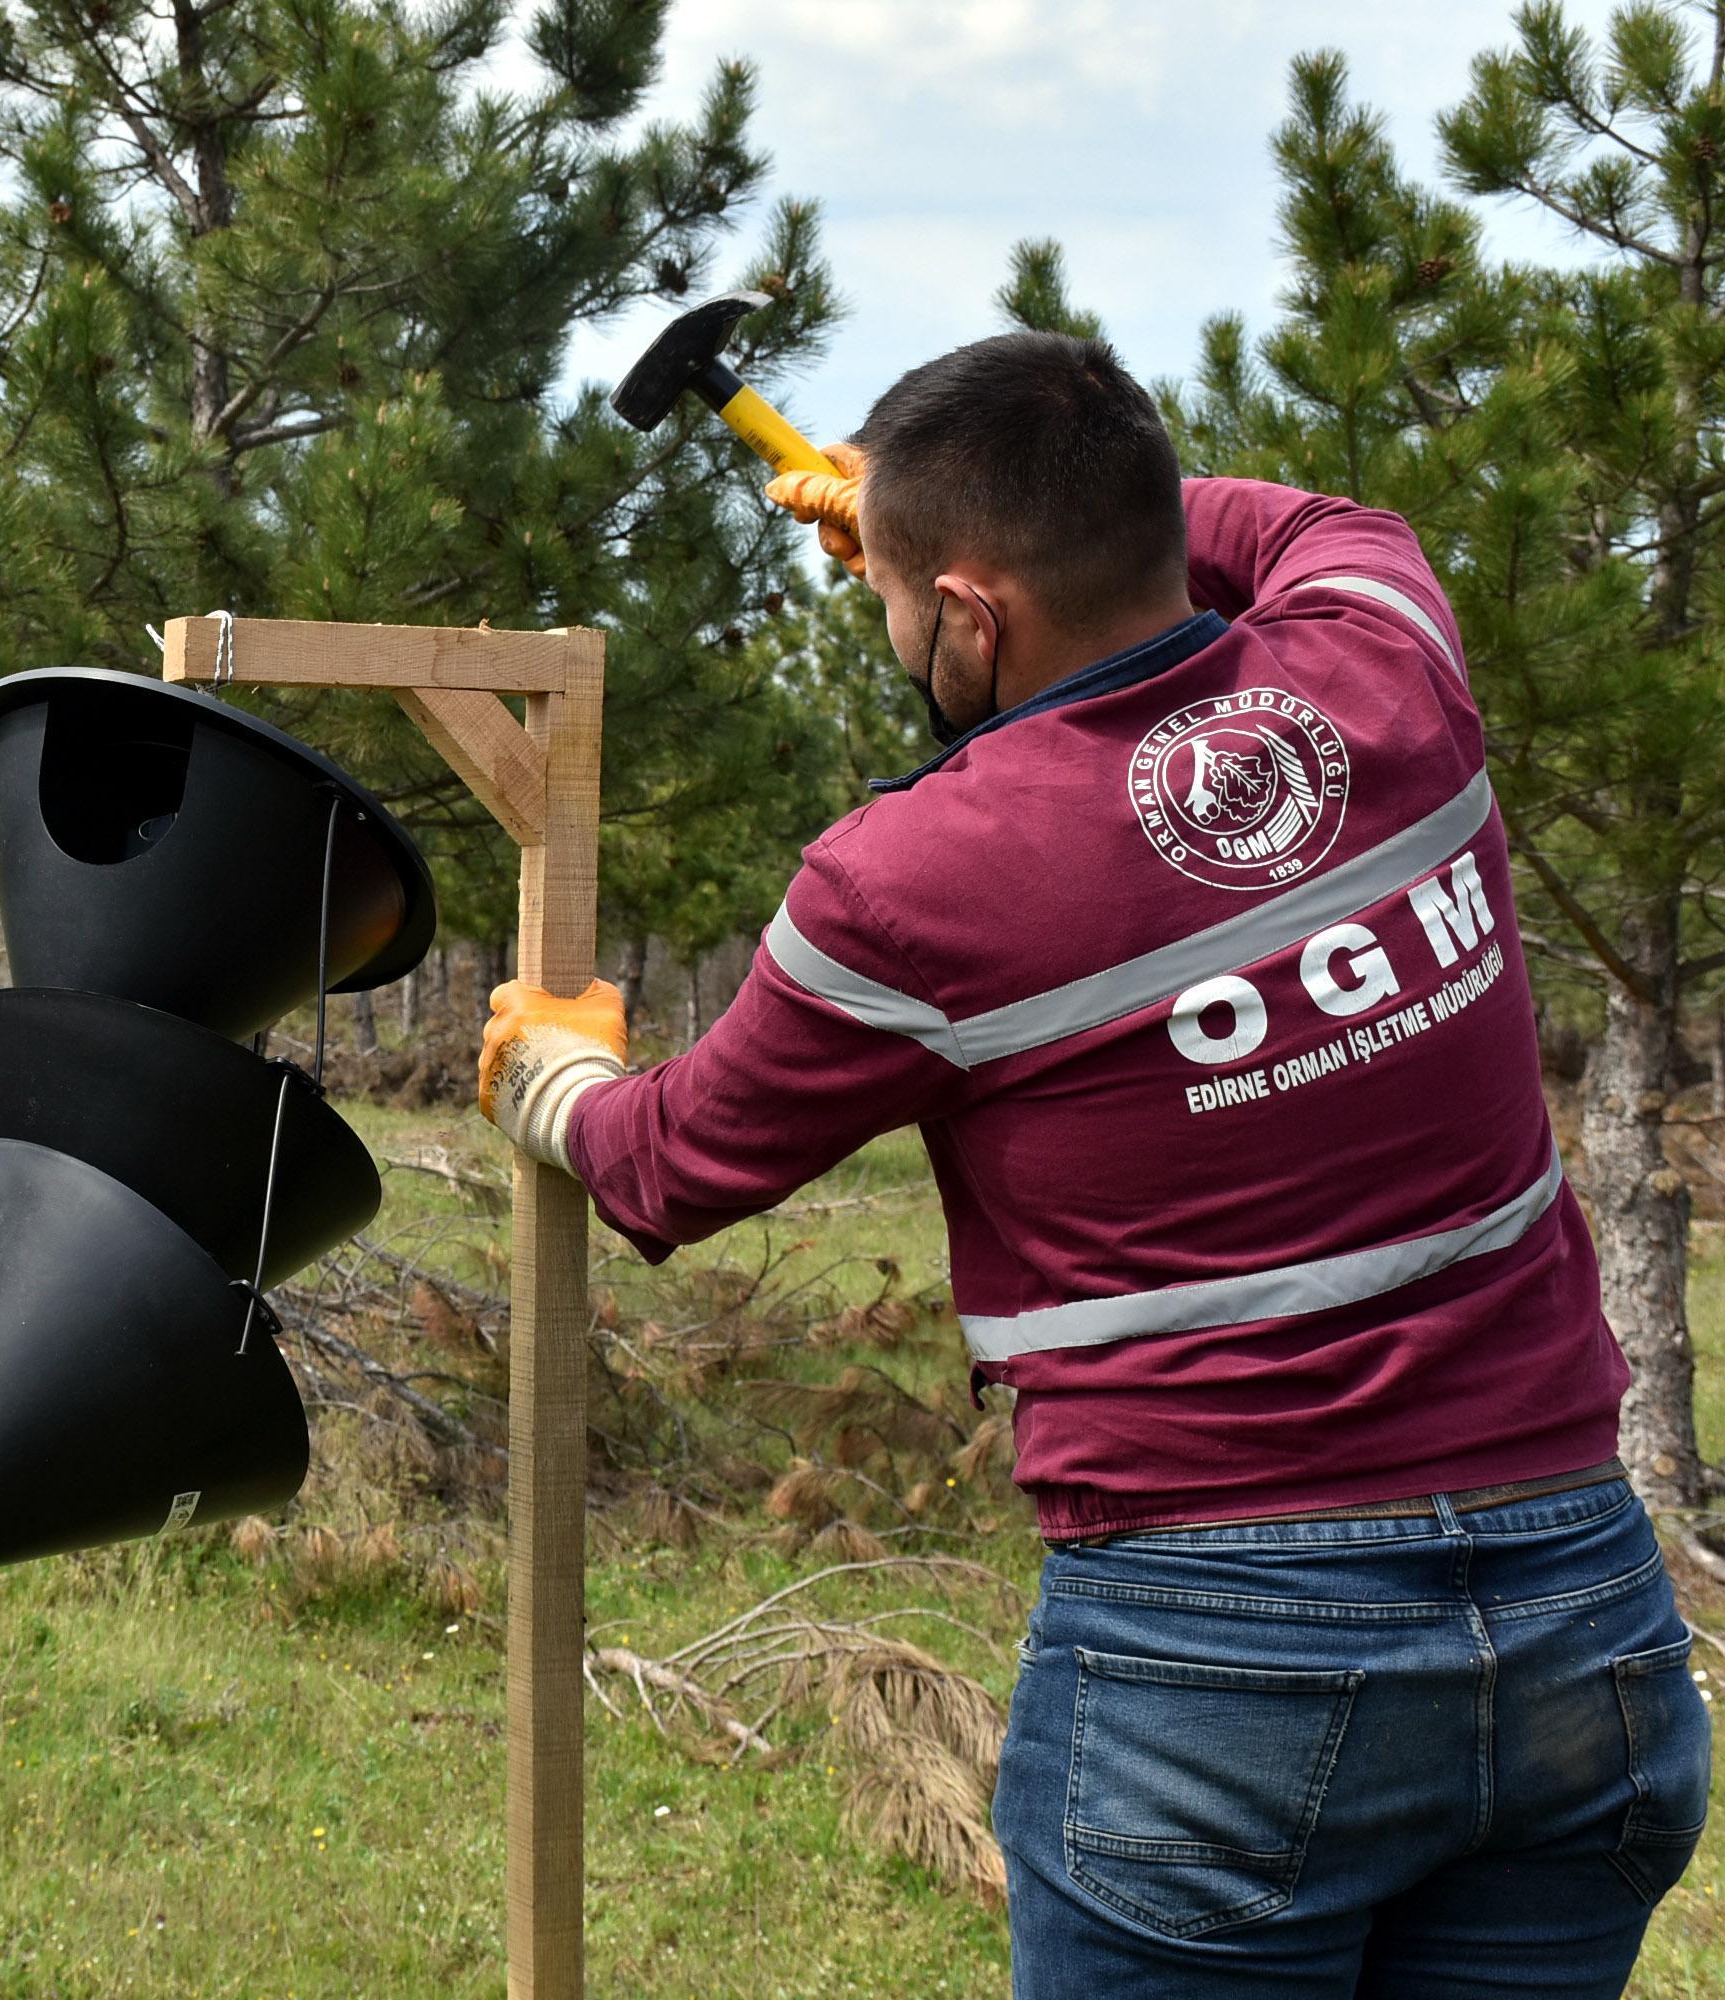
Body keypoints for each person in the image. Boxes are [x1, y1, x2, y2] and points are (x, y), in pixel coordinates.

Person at [479, 333, 1709, 1994]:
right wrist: (957, 530)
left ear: (973, 619)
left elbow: (672, 1162)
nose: (893, 624)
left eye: (907, 602)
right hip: (1583, 1610)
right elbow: (1291, 524)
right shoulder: (1389, 658)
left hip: (1225, 1658)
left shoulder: (915, 882)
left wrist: (554, 1078)